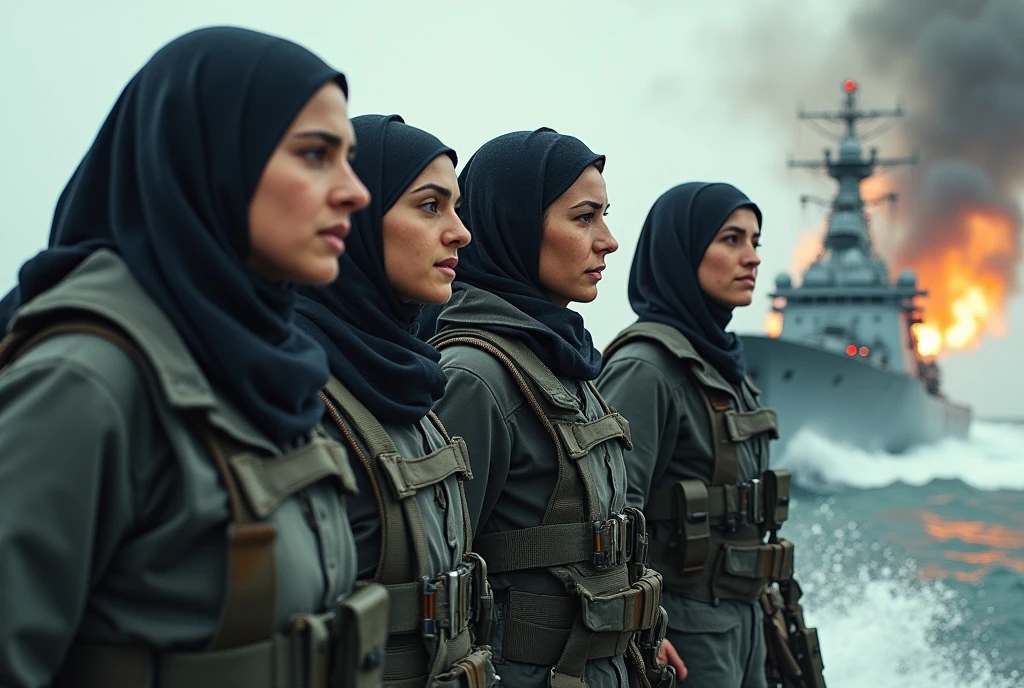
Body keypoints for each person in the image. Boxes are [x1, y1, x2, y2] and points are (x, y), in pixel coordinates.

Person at [0, 27, 384, 688]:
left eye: (348, 157)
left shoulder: (266, 368)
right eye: (316, 154)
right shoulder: (86, 381)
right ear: (209, 156)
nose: (356, 191)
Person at [429, 129, 676, 688]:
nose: (609, 240)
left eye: (605, 215)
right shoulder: (476, 376)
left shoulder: (564, 361)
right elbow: (436, 569)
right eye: (584, 217)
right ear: (516, 224)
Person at [294, 114, 497, 687]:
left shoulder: (412, 379)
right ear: (351, 219)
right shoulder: (294, 390)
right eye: (430, 206)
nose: (461, 232)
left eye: (456, 208)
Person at [598, 182, 809, 688]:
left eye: (755, 242)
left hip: (747, 619)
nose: (752, 257)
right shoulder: (646, 368)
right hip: (683, 630)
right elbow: (608, 512)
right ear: (683, 250)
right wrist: (641, 626)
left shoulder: (726, 369)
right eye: (731, 240)